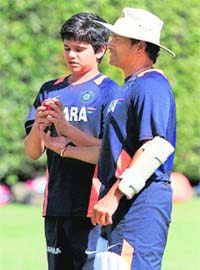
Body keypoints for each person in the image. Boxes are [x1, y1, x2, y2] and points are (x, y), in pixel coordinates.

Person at [24, 12, 121, 270]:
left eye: (79, 49)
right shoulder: (50, 89)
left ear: (100, 50)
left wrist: (66, 139)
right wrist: (39, 126)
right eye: (67, 48)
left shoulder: (110, 91)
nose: (71, 55)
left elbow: (109, 151)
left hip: (93, 207)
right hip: (56, 204)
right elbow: (33, 152)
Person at [86, 7, 176, 270]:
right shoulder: (132, 85)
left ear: (139, 46)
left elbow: (156, 147)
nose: (109, 44)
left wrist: (113, 196)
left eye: (118, 39)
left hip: (140, 204)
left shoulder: (151, 85)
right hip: (126, 203)